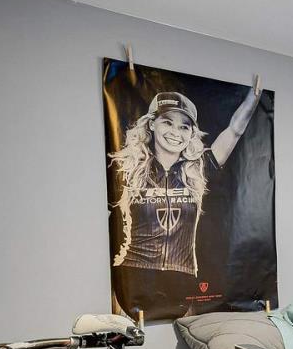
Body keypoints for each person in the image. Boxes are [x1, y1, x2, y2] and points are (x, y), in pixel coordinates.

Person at [110, 76, 262, 309]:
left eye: (184, 126)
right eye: (167, 122)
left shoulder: (198, 168)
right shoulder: (130, 167)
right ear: (152, 124)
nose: (175, 132)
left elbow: (235, 130)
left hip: (182, 278)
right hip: (135, 274)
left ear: (191, 133)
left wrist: (256, 94)